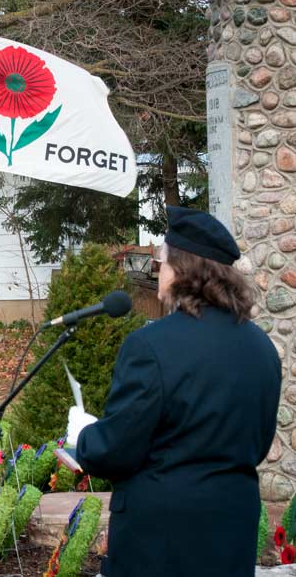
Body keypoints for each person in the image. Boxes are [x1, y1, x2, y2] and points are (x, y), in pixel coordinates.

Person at [66, 206, 281, 577]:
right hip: (232, 531)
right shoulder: (262, 348)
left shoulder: (150, 346)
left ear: (182, 270)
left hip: (161, 542)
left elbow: (116, 450)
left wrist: (85, 435)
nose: (158, 271)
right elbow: (258, 444)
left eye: (163, 262)